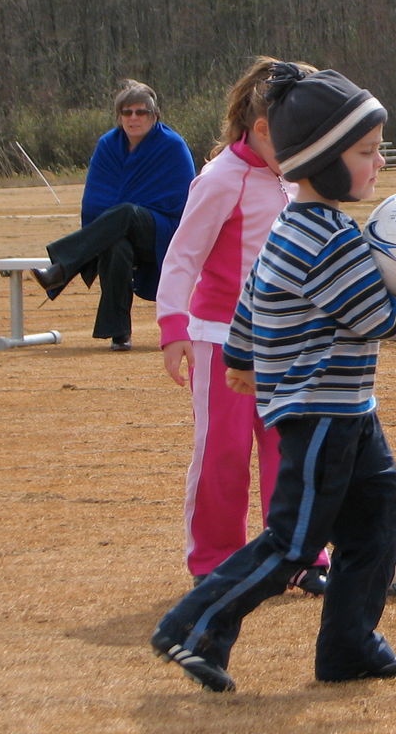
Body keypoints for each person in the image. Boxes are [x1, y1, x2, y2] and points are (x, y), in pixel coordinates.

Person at [150, 63, 396, 693]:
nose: (379, 164)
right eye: (367, 151)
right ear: (324, 160)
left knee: (382, 520)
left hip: (350, 410)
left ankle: (347, 647)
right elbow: (376, 316)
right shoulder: (327, 241)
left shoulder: (293, 227)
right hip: (321, 415)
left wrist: (243, 360)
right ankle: (194, 627)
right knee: (293, 542)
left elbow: (249, 299)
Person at [155, 57, 329, 592]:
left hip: (288, 344)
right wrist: (173, 327)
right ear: (260, 129)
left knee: (291, 453)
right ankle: (215, 561)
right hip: (220, 343)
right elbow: (182, 255)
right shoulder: (220, 179)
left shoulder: (300, 178)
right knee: (223, 453)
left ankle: (301, 556)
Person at [32, 80, 195, 351]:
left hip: (162, 230)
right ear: (119, 116)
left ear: (154, 116)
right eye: (127, 112)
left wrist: (135, 211)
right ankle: (119, 332)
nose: (133, 118)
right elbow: (96, 199)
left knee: (126, 213)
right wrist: (114, 221)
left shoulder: (172, 146)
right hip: (113, 229)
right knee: (116, 244)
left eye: (141, 112)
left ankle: (63, 267)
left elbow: (182, 202)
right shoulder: (108, 145)